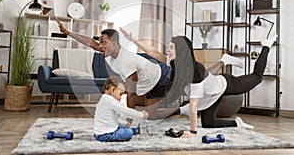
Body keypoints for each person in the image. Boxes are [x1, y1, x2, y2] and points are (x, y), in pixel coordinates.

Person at [57, 19, 242, 121]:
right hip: (148, 81)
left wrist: (129, 121)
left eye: (103, 43)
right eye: (100, 43)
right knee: (151, 111)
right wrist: (68, 32)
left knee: (196, 77)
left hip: (162, 77)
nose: (100, 46)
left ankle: (220, 64)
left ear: (114, 43)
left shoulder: (126, 60)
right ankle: (222, 62)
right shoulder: (107, 51)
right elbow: (90, 43)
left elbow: (130, 95)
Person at [120, 28, 277, 137]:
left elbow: (194, 106)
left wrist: (192, 132)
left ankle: (266, 46)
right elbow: (153, 52)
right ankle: (237, 124)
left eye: (171, 47)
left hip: (224, 84)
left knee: (256, 78)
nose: (168, 50)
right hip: (210, 96)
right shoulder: (175, 62)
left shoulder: (192, 73)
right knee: (208, 123)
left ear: (180, 51)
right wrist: (133, 39)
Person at [94, 76, 149, 142]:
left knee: (124, 127)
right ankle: (134, 131)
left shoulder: (103, 100)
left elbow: (112, 119)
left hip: (99, 134)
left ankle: (135, 130)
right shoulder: (110, 100)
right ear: (113, 90)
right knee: (128, 133)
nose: (120, 98)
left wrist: (124, 123)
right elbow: (125, 111)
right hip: (107, 134)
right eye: (120, 94)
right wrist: (141, 115)